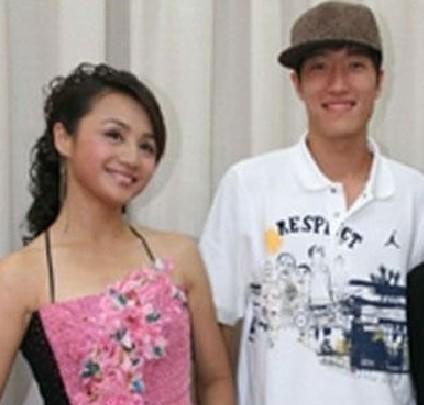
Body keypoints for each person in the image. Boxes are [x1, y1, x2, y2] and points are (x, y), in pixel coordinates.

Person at [199, 2, 424, 404]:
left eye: (355, 66)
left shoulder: (414, 195)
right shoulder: (248, 186)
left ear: (379, 81)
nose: (338, 85)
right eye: (319, 67)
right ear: (297, 84)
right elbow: (216, 327)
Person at [0, 62, 234, 404]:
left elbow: (215, 381)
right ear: (63, 138)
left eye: (147, 146)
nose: (132, 157)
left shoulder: (179, 255)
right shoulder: (19, 277)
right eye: (114, 135)